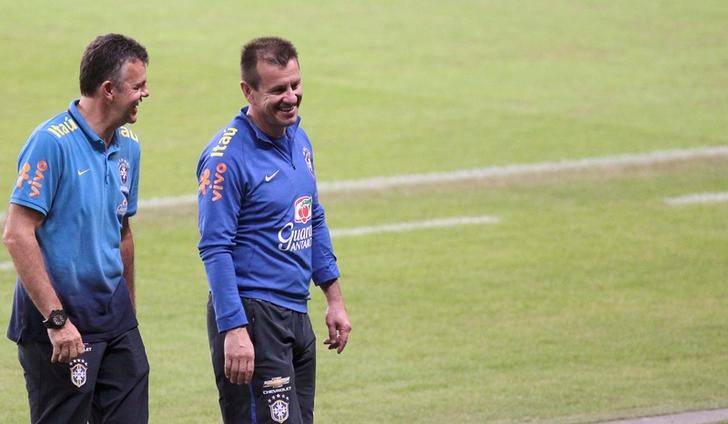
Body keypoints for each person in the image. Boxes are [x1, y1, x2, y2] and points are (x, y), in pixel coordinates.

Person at [197, 36, 352, 423]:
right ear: (248, 91)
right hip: (254, 317)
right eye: (278, 89)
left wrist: (334, 298)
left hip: (296, 314)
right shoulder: (225, 159)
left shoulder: (299, 138)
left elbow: (311, 217)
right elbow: (215, 248)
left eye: (296, 85)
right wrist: (233, 329)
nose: (292, 98)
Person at [3, 33, 151, 423]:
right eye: (138, 86)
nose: (145, 94)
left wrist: (129, 313)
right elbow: (17, 233)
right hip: (59, 323)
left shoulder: (129, 146)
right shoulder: (50, 144)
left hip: (114, 320)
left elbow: (122, 232)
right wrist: (56, 321)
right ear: (108, 90)